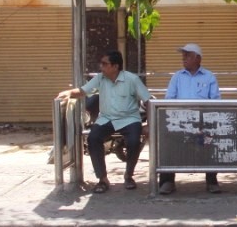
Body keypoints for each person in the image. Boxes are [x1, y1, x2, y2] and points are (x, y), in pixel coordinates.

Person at [57, 50, 150, 193]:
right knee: (93, 138)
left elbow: (148, 101)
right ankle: (102, 179)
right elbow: (83, 91)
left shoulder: (132, 79)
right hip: (107, 118)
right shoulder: (100, 78)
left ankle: (129, 175)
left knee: (133, 141)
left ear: (115, 66)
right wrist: (69, 93)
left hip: (129, 118)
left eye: (105, 64)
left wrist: (150, 123)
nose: (101, 66)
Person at [159, 43, 222, 195]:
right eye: (183, 56)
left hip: (203, 121)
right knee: (167, 141)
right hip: (180, 120)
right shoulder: (177, 77)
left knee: (208, 139)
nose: (184, 59)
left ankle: (212, 181)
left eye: (187, 55)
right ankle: (167, 181)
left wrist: (205, 120)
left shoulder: (209, 76)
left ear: (198, 58)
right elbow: (169, 100)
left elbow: (215, 101)